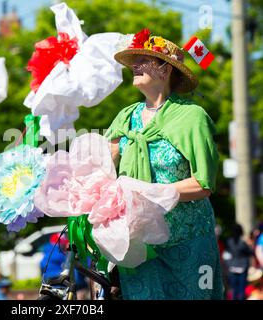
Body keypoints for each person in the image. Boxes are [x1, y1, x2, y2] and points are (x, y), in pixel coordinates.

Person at [100, 29, 224, 299]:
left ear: (165, 69)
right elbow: (103, 171)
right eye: (133, 60)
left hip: (188, 243)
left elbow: (203, 183)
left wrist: (152, 193)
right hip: (139, 245)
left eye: (144, 60)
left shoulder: (192, 117)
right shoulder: (125, 117)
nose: (134, 66)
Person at [224, 223, 254, 300]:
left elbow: (226, 254)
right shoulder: (243, 242)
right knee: (241, 290)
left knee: (233, 290)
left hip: (232, 267)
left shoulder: (228, 241)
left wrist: (228, 264)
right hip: (242, 267)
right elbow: (251, 252)